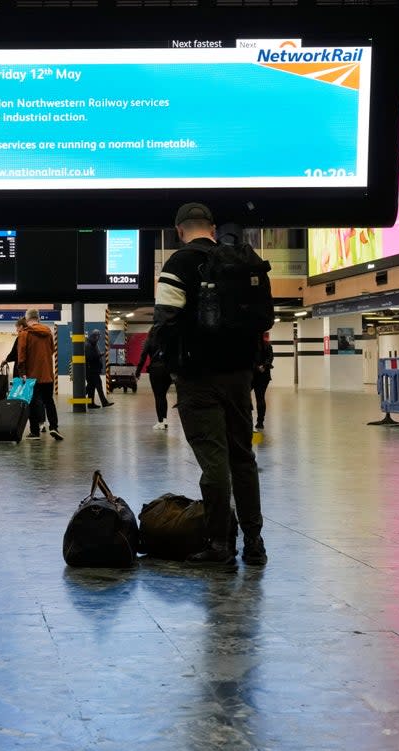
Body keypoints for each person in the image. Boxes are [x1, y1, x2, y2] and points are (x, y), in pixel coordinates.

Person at [150, 202, 266, 567]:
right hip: (239, 377)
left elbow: (165, 322)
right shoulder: (241, 261)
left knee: (214, 462)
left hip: (198, 380)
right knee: (242, 458)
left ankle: (220, 545)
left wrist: (167, 364)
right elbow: (263, 319)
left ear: (179, 231)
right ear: (212, 228)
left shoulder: (178, 264)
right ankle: (254, 543)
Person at [17, 308, 63, 440]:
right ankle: (54, 427)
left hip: (32, 375)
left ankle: (35, 432)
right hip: (47, 374)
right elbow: (51, 350)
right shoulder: (48, 332)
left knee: (32, 402)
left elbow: (21, 356)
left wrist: (22, 372)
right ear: (38, 318)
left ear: (27, 319)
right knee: (49, 401)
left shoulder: (24, 334)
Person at [135, 332, 172, 430]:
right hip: (167, 371)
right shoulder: (167, 341)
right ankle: (164, 420)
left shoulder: (149, 340)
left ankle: (160, 422)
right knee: (163, 396)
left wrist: (137, 372)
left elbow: (143, 356)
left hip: (155, 371)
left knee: (158, 397)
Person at [85, 329, 113, 409]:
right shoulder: (88, 345)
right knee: (98, 386)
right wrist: (99, 355)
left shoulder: (93, 345)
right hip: (91, 370)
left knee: (91, 387)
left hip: (93, 370)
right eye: (97, 336)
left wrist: (99, 354)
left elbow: (93, 355)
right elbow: (90, 357)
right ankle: (104, 403)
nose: (98, 338)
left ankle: (90, 404)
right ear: (94, 336)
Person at [252, 332, 274, 430]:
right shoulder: (267, 345)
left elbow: (249, 359)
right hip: (264, 375)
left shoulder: (250, 345)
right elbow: (270, 358)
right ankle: (260, 422)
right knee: (260, 398)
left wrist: (256, 367)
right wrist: (264, 366)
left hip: (252, 375)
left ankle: (246, 418)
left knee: (243, 396)